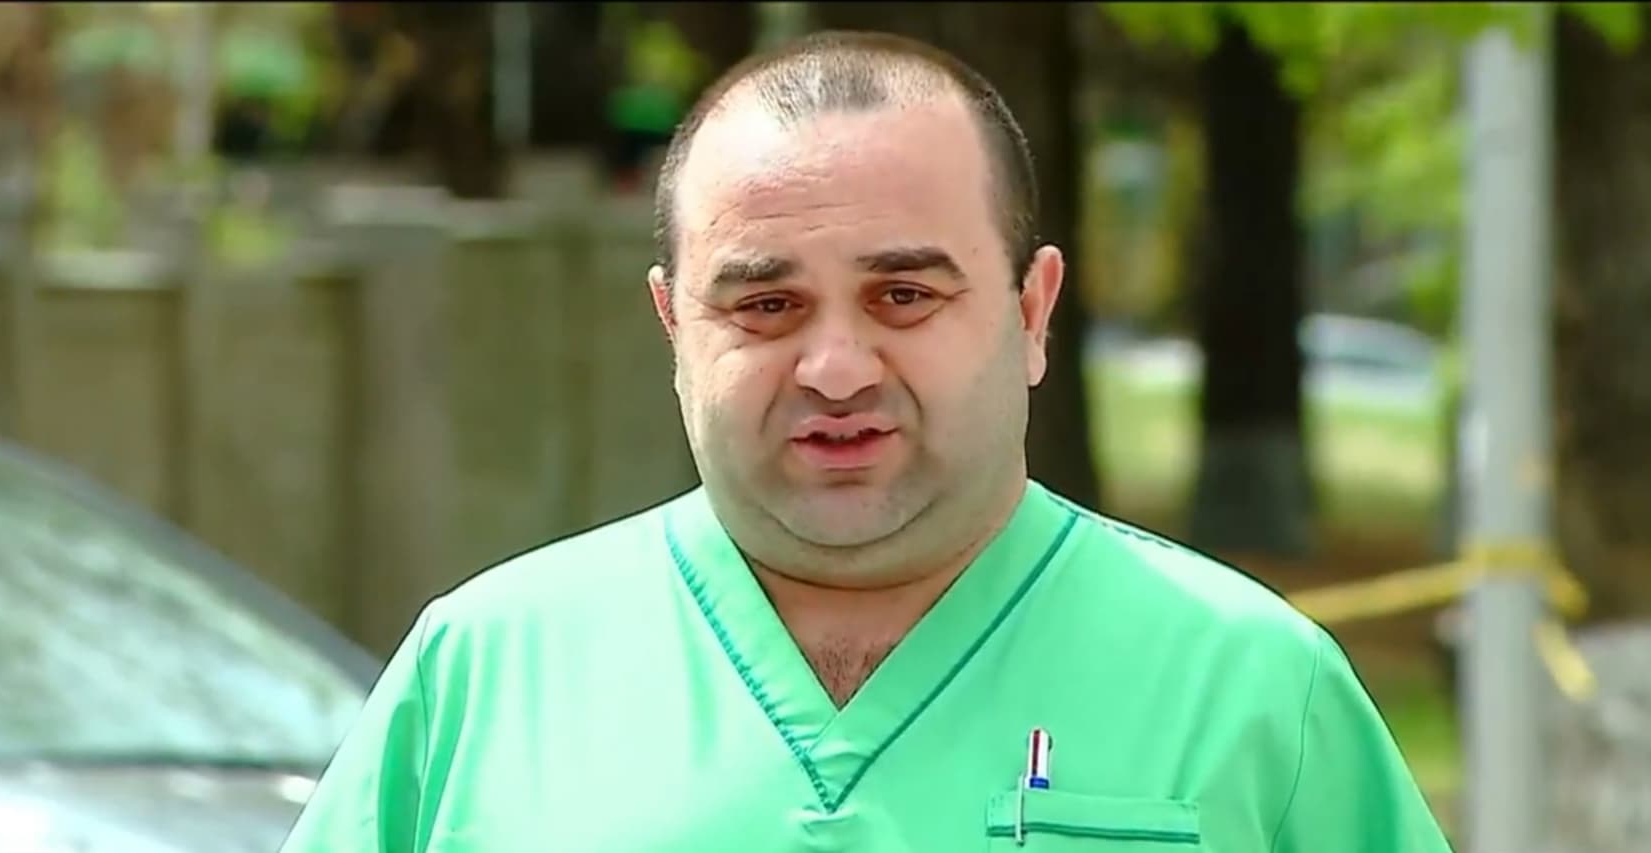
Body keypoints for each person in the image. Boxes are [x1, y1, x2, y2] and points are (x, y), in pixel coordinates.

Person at [280, 30, 1453, 852]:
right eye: (765, 304)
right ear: (672, 325)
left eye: (903, 296)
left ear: (1032, 311)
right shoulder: (486, 674)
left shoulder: (1249, 682)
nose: (835, 368)